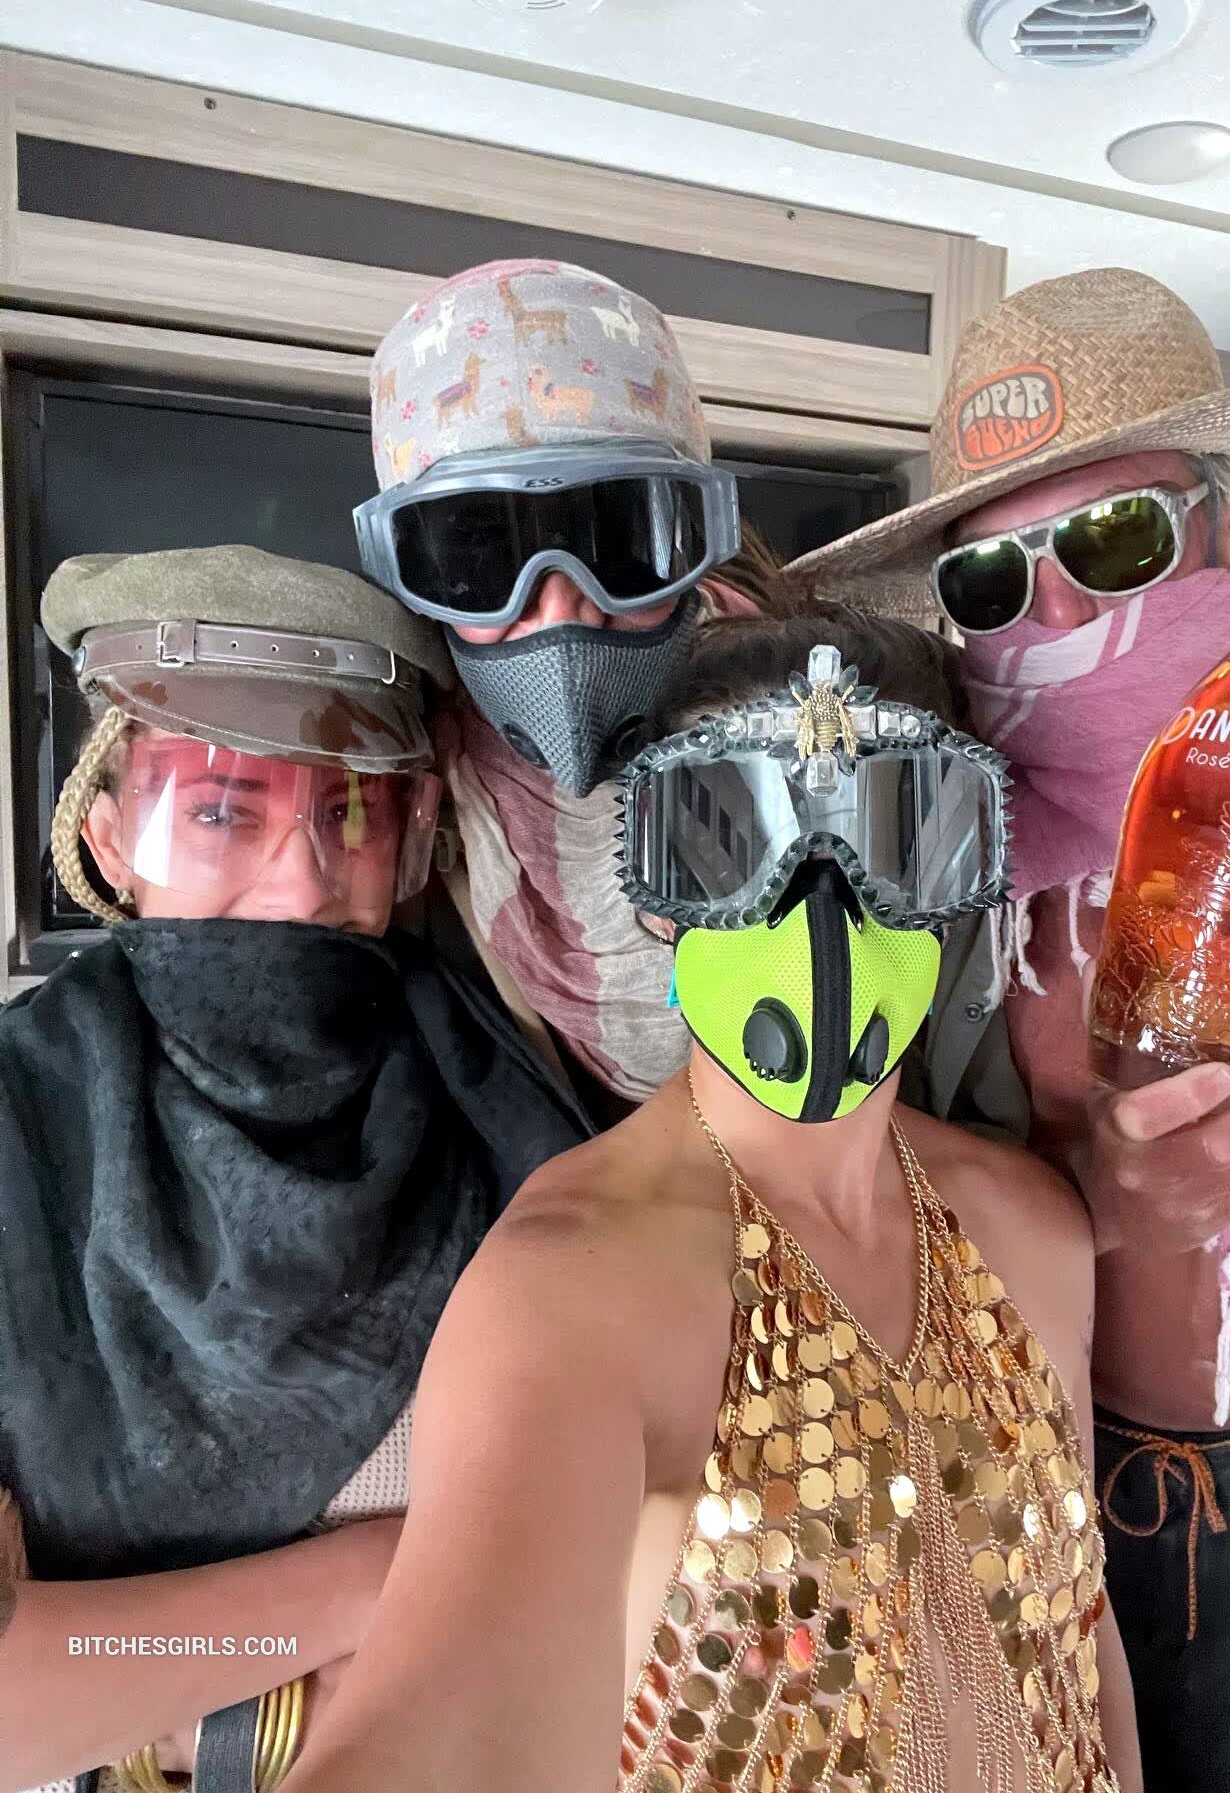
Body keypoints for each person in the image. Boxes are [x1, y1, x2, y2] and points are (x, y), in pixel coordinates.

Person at [279, 608, 1144, 1793]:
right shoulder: (571, 1292)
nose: (819, 902)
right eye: (731, 836)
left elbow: (1081, 1645)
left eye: (897, 829)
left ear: (965, 872)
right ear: (653, 887)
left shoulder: (1033, 1228)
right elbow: (439, 1718)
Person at [784, 268, 1230, 1792]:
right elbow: (859, 1203)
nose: (1060, 608)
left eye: (1115, 539)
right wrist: (1100, 1194)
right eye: (991, 582)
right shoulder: (933, 857)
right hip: (1009, 1491)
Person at [0, 546, 588, 1793]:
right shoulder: (16, 1132)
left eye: (350, 815)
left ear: (413, 837)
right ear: (109, 839)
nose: (302, 880)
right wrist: (380, 1583)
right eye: (221, 813)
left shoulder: (508, 1095)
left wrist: (160, 1681)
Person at [355, 258, 793, 1121]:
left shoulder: (834, 721)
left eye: (619, 541)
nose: (561, 611)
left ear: (696, 536)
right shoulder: (407, 784)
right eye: (482, 558)